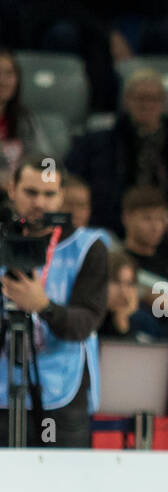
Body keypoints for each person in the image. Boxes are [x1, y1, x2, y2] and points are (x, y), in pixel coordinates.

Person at [0, 156, 111, 448]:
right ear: (12, 190)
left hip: (61, 396)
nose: (40, 203)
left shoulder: (88, 247)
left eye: (49, 194)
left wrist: (42, 306)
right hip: (1, 390)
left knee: (62, 487)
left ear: (62, 196)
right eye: (30, 192)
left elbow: (85, 323)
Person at [66, 68, 168, 237]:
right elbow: (73, 182)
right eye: (140, 98)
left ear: (164, 103)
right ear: (126, 101)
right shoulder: (98, 143)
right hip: (113, 228)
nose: (147, 105)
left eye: (154, 98)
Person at [0, 49, 55, 185]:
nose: (3, 81)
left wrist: (49, 182)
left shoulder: (25, 119)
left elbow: (48, 160)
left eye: (9, 73)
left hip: (20, 196)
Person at [100, 249, 166, 340]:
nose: (123, 291)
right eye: (115, 282)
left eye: (129, 284)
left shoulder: (143, 321)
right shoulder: (89, 319)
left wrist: (122, 323)